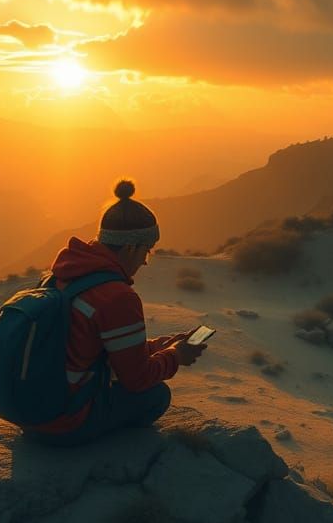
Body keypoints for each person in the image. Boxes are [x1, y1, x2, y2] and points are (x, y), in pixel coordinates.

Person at [22, 179, 205, 446]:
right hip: (65, 422)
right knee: (157, 396)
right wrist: (177, 356)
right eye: (147, 250)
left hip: (32, 410)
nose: (145, 260)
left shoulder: (61, 276)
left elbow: (95, 350)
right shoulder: (117, 297)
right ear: (131, 247)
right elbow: (136, 379)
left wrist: (159, 347)